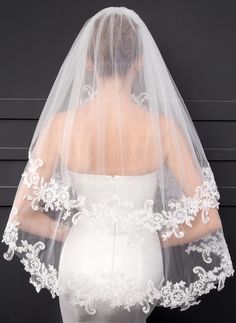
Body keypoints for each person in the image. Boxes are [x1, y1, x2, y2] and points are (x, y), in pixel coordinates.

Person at [2, 6, 234, 323]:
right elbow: (209, 220)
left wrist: (71, 232)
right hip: (138, 265)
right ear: (140, 62)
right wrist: (156, 237)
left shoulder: (61, 126)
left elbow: (22, 214)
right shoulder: (163, 129)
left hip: (81, 262)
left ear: (87, 61)